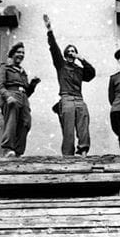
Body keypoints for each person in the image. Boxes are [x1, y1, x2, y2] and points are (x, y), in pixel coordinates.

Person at [43, 14, 95, 156]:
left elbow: (91, 74)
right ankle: (68, 155)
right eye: (69, 51)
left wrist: (82, 59)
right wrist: (49, 30)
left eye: (74, 51)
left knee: (83, 125)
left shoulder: (79, 70)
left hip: (79, 98)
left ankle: (83, 150)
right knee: (68, 129)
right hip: (66, 99)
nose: (71, 53)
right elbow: (54, 49)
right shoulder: (61, 65)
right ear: (66, 54)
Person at [0, 42, 40, 158]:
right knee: (11, 122)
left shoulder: (22, 72)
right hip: (11, 95)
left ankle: (18, 152)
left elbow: (27, 92)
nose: (21, 55)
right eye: (19, 52)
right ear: (12, 54)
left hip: (23, 98)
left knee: (26, 123)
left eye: (23, 53)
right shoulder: (4, 67)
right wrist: (7, 96)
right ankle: (8, 149)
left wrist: (33, 84)